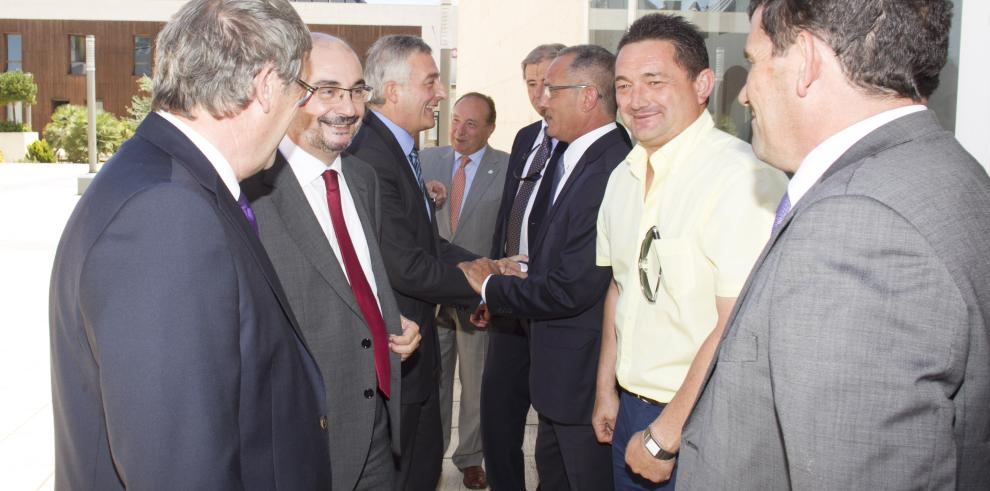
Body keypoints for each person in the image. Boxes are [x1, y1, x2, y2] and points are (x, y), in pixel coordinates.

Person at [678, 1, 990, 489]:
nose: (743, 94)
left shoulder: (856, 228)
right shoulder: (945, 170)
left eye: (755, 61)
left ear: (805, 59)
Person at [48, 0, 329, 489]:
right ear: (266, 86)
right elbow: (179, 469)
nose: (298, 111)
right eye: (300, 91)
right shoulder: (165, 214)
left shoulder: (172, 181)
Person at [592, 14, 786, 490]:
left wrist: (665, 435)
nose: (636, 100)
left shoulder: (742, 177)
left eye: (654, 82)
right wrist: (605, 390)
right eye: (623, 86)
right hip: (632, 408)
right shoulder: (623, 175)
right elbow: (621, 287)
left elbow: (738, 323)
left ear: (702, 84)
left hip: (702, 416)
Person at [242, 33, 423, 491]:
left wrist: (386, 323)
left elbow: (348, 283)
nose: (348, 107)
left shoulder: (362, 179)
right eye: (327, 90)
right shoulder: (251, 193)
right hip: (302, 442)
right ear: (286, 92)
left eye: (357, 90)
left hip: (378, 428)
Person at [468, 44, 632, 490]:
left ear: (587, 97)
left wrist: (492, 289)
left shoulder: (610, 167)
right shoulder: (572, 155)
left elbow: (572, 287)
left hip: (580, 378)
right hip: (558, 374)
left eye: (552, 90)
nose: (542, 100)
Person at [347, 34, 502, 490]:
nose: (440, 94)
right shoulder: (371, 155)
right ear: (393, 90)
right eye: (431, 82)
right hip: (397, 349)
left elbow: (426, 244)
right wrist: (487, 285)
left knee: (423, 461)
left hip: (415, 350)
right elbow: (407, 267)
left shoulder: (397, 148)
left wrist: (488, 265)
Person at [480, 42, 567, 491]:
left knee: (553, 422)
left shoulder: (579, 142)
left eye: (548, 83)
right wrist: (493, 278)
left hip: (553, 299)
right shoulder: (524, 138)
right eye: (531, 84)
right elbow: (507, 213)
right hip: (509, 298)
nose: (539, 93)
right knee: (497, 413)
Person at [420, 92, 510, 490]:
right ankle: (431, 453)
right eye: (456, 120)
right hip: (431, 289)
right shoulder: (425, 161)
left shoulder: (506, 168)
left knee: (475, 383)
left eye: (472, 124)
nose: (460, 130)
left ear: (490, 128)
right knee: (432, 378)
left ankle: (471, 457)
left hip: (477, 299)